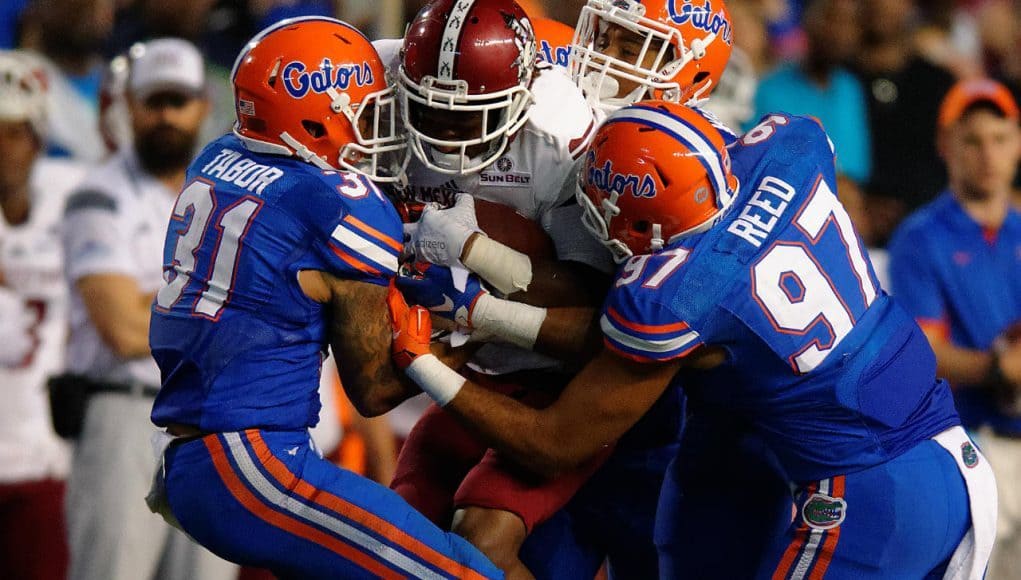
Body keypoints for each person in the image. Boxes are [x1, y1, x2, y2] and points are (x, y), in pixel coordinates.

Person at [390, 101, 998, 578]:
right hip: (945, 448)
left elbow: (554, 442)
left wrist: (422, 359)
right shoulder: (792, 146)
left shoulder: (680, 296)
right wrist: (487, 276)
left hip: (870, 491)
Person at [145, 17, 501, 579]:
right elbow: (374, 389)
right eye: (364, 110)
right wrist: (472, 334)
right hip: (254, 463)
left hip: (195, 458)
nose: (375, 127)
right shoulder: (339, 204)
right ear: (315, 114)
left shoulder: (216, 159)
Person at [59, 38, 236, 580]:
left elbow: (149, 320)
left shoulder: (230, 194)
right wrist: (213, 301)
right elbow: (121, 329)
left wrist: (153, 297)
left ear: (203, 104)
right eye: (153, 101)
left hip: (210, 418)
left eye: (177, 100)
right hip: (125, 412)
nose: (165, 115)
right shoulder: (98, 194)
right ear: (129, 105)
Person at [888, 78, 1021, 580]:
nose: (988, 154)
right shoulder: (921, 238)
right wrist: (997, 368)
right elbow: (925, 352)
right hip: (971, 444)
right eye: (972, 140)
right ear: (946, 147)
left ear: (1018, 144)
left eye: (1000, 138)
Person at [0, 49, 86, 580]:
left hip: (44, 458)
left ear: (37, 139)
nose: (2, 148)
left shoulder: (74, 196)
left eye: (13, 132)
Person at [752, 0, 871, 185]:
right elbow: (758, 164)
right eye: (832, 20)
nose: (840, 33)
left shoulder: (851, 88)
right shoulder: (770, 89)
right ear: (808, 23)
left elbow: (857, 170)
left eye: (850, 23)